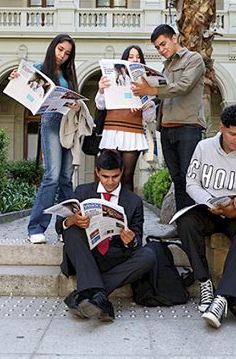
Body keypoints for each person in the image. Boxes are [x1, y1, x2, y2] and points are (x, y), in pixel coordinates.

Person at [177, 105, 236, 329]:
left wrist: (234, 211)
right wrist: (208, 201)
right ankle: (205, 282)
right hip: (208, 210)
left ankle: (223, 298)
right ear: (221, 128)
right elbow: (192, 183)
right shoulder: (203, 147)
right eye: (232, 134)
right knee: (186, 221)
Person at [58, 149, 156, 321]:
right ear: (97, 173)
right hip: (85, 255)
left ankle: (86, 294)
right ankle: (100, 299)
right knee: (71, 231)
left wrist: (131, 240)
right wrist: (73, 220)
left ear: (122, 172)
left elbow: (138, 239)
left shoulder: (133, 201)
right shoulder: (82, 192)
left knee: (148, 255)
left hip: (115, 256)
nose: (110, 182)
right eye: (105, 177)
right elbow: (59, 226)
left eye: (115, 177)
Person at [9, 34, 81, 244]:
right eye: (60, 50)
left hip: (68, 126)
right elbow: (23, 86)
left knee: (67, 178)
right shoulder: (39, 68)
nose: (63, 56)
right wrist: (15, 77)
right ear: (53, 48)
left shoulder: (69, 75)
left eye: (67, 53)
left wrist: (76, 105)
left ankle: (66, 229)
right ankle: (36, 228)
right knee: (52, 175)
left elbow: (73, 102)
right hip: (50, 123)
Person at [131, 24, 206, 211]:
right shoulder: (166, 66)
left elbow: (184, 86)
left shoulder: (194, 59)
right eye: (157, 47)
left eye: (163, 44)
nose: (161, 50)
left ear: (175, 38)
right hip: (166, 128)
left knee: (190, 180)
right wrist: (151, 100)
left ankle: (192, 231)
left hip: (188, 127)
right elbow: (165, 95)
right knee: (177, 181)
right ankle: (181, 227)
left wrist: (153, 90)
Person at [96, 45, 156, 191]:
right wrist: (101, 89)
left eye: (138, 56)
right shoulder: (111, 78)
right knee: (109, 173)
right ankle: (107, 211)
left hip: (133, 132)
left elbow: (149, 118)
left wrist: (147, 105)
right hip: (112, 130)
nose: (135, 59)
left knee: (127, 176)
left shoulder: (147, 83)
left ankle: (127, 212)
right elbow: (100, 105)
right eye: (131, 56)